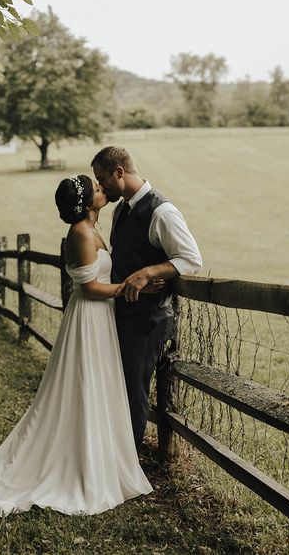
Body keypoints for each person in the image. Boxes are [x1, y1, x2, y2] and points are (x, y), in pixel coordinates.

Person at [0, 175, 160, 516]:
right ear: (87, 204)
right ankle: (78, 463)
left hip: (99, 319)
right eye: (98, 190)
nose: (103, 190)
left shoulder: (89, 228)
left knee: (96, 385)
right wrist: (133, 288)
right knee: (84, 385)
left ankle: (100, 455)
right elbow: (90, 290)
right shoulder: (82, 234)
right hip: (89, 316)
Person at [92, 147, 202, 451]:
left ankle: (129, 461)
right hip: (124, 314)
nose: (101, 187)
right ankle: (116, 454)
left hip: (148, 318)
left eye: (103, 179)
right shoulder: (121, 209)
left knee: (133, 390)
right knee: (119, 386)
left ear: (119, 172)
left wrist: (150, 272)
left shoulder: (162, 211)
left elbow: (191, 259)